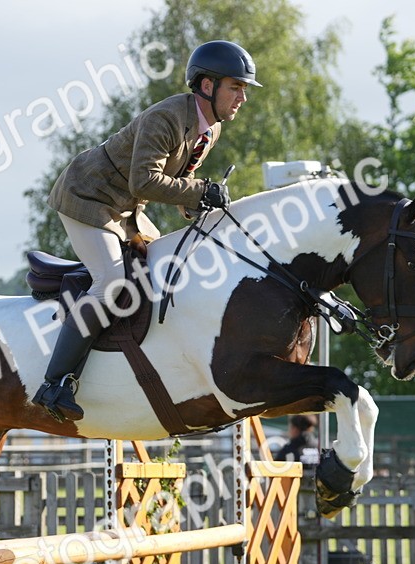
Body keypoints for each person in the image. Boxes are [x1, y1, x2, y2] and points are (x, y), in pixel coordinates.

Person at [33, 40, 261, 422]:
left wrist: (201, 204)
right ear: (208, 86)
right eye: (236, 87)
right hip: (88, 197)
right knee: (111, 283)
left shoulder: (209, 128)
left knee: (165, 268)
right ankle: (54, 384)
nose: (242, 98)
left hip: (125, 208)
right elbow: (145, 181)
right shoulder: (167, 116)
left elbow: (178, 180)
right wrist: (200, 190)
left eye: (243, 89)